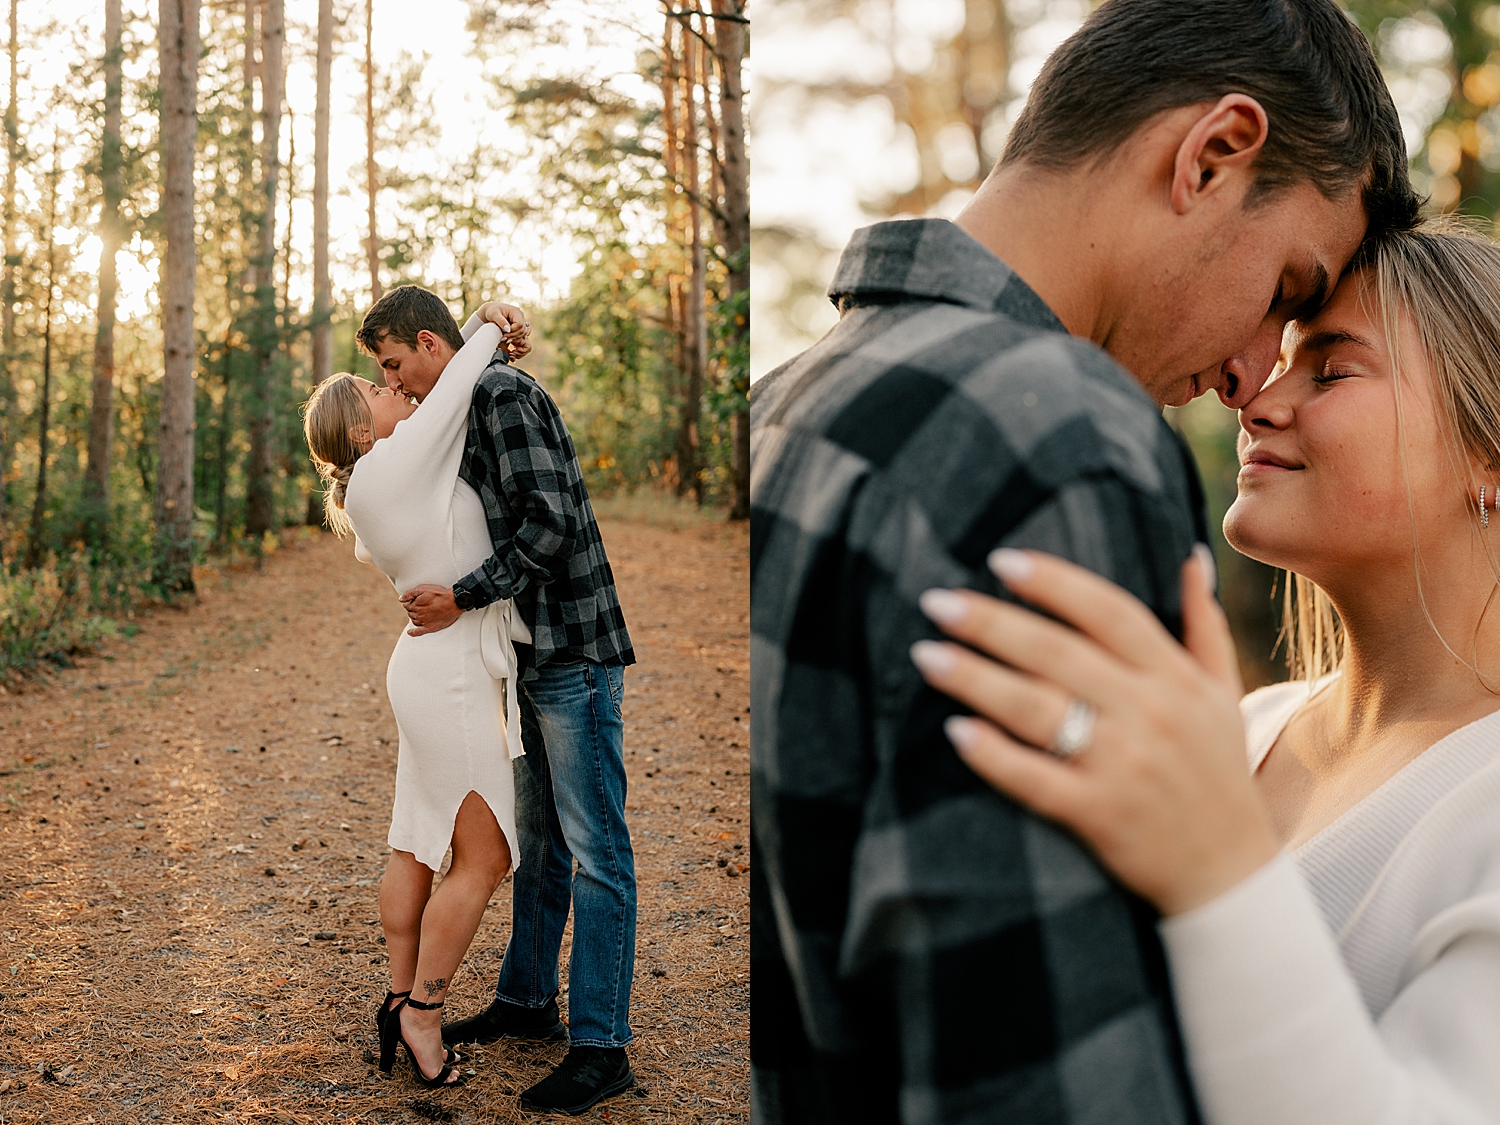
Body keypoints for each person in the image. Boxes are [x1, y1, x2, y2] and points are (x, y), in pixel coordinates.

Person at [748, 0, 1419, 1120]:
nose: (1254, 374)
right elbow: (1044, 1072)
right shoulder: (1057, 438)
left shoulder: (784, 403)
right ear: (1213, 154)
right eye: (1287, 293)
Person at [913, 223, 1500, 1123]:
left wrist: (1215, 870)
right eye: (1282, 365)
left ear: (1488, 460)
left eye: (1332, 370)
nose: (1255, 403)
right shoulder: (1242, 725)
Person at [357, 286, 638, 1115]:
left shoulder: (500, 394)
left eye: (395, 364)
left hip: (571, 646)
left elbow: (547, 524)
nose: (397, 382)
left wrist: (463, 596)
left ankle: (600, 1044)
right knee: (539, 841)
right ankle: (526, 1000)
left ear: (429, 344)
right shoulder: (463, 403)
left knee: (595, 849)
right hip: (528, 657)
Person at [303, 298, 529, 1089]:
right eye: (377, 393)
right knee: (486, 853)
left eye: (388, 378)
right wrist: (490, 322)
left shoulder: (378, 483)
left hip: (435, 665)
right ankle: (424, 1013)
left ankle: (398, 991)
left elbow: (439, 393)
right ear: (362, 434)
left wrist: (472, 329)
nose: (393, 391)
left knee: (415, 841)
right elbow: (457, 380)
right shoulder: (388, 469)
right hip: (452, 673)